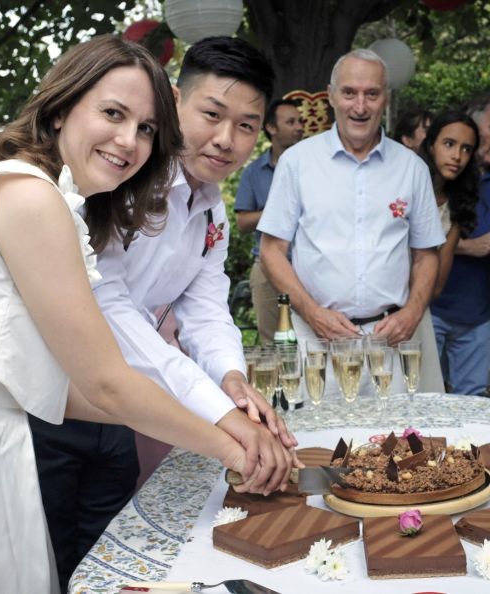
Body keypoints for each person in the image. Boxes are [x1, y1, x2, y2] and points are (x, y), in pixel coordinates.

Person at [0, 36, 280, 593]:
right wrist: (230, 443)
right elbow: (105, 378)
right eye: (111, 114)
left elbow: (56, 383)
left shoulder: (51, 196)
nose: (129, 140)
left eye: (146, 128)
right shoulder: (30, 195)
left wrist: (224, 400)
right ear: (58, 110)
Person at [29, 36, 297, 591]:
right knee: (45, 566)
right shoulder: (119, 178)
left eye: (246, 125)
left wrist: (232, 380)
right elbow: (114, 310)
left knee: (109, 558)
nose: (226, 140)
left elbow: (204, 304)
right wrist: (222, 419)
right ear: (174, 101)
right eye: (212, 115)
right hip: (47, 403)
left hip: (121, 410)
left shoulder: (211, 206)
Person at [259, 48, 445, 397]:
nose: (360, 106)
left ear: (385, 98)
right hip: (316, 343)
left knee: (401, 447)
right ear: (331, 96)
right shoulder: (297, 162)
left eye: (371, 94)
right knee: (316, 448)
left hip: (393, 343)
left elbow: (426, 253)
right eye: (349, 93)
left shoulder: (412, 167)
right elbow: (271, 251)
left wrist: (413, 312)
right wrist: (312, 313)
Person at [430, 92, 490, 397]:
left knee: (471, 401)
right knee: (425, 398)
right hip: (430, 308)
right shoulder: (441, 174)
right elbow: (410, 240)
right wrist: (469, 246)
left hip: (478, 312)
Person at [235, 98, 304, 344]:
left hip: (308, 266)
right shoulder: (253, 172)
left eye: (300, 121)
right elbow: (242, 222)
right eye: (291, 121)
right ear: (272, 128)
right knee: (272, 343)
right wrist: (278, 211)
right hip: (266, 266)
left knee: (313, 340)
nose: (299, 127)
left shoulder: (312, 166)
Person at [417, 110, 479, 296]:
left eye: (467, 149)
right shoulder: (404, 187)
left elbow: (436, 288)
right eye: (449, 144)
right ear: (431, 146)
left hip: (417, 305)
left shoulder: (457, 206)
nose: (457, 156)